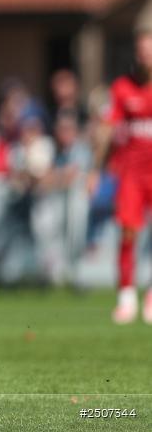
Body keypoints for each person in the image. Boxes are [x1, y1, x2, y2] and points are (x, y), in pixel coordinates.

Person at [90, 29, 152, 324]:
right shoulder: (122, 88)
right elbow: (105, 130)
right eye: (142, 50)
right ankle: (126, 296)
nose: (146, 56)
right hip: (131, 174)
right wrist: (94, 169)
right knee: (128, 231)